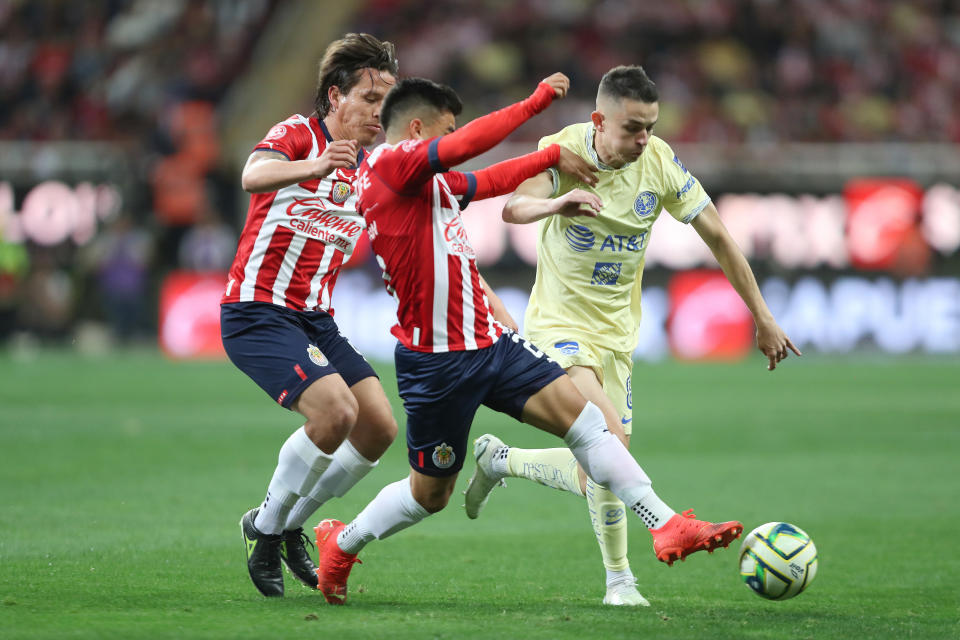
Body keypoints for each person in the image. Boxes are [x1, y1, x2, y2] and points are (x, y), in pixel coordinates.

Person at [312, 72, 743, 606]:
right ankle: (342, 545)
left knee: (590, 427)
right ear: (417, 129)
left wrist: (548, 165)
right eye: (446, 133)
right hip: (436, 364)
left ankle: (667, 524)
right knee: (430, 495)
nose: (453, 146)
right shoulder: (388, 166)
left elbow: (489, 183)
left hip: (491, 344)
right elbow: (471, 147)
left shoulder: (430, 182)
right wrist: (534, 104)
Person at [463, 65, 801, 607]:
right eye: (632, 128)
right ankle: (625, 576)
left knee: (596, 468)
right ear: (599, 121)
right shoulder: (565, 150)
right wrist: (556, 202)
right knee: (610, 440)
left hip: (617, 337)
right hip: (558, 327)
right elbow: (511, 205)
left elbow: (716, 233)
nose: (643, 139)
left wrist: (761, 315)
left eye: (650, 126)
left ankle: (501, 460)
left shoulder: (660, 162)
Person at [221, 33, 401, 598]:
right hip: (257, 311)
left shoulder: (372, 168)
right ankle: (266, 531)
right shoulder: (299, 135)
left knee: (378, 428)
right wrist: (315, 165)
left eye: (387, 101)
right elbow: (252, 174)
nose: (381, 112)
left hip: (315, 320)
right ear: (334, 96)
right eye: (370, 98)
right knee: (334, 412)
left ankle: (290, 521)